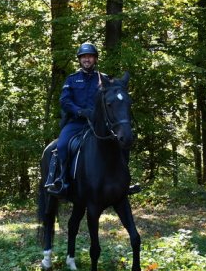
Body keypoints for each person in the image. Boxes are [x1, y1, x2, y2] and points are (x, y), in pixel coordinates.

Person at [46, 42, 139, 195]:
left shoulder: (105, 79)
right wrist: (80, 111)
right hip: (76, 122)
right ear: (79, 60)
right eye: (83, 57)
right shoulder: (72, 79)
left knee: (123, 142)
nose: (86, 59)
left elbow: (114, 99)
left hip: (99, 124)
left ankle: (123, 181)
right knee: (62, 145)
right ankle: (62, 180)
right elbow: (65, 101)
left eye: (90, 56)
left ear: (95, 59)